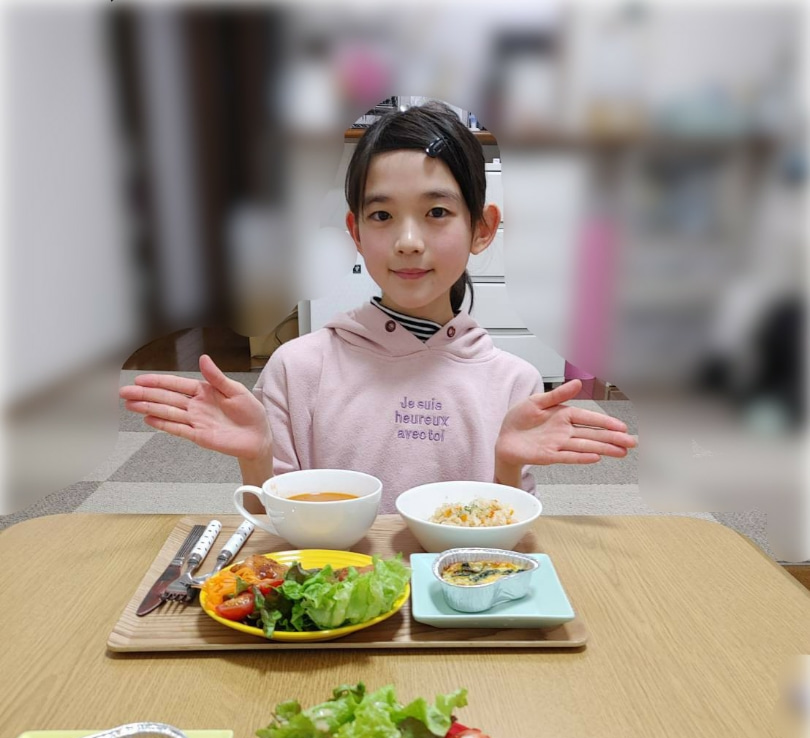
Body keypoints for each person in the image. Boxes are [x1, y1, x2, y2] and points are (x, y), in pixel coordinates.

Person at [121, 101, 636, 513]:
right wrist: (256, 457)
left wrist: (506, 468)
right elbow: (276, 541)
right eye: (383, 216)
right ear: (356, 232)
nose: (408, 242)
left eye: (437, 212)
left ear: (482, 228)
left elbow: (504, 548)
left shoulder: (514, 383)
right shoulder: (298, 368)